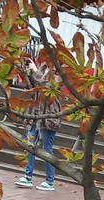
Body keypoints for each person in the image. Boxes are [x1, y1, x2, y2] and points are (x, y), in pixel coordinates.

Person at [14, 56, 62, 191]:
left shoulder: (59, 73)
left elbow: (47, 86)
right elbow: (31, 86)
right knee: (30, 145)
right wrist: (27, 71)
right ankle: (28, 177)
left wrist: (35, 71)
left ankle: (50, 181)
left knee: (47, 148)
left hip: (49, 115)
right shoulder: (40, 68)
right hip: (35, 114)